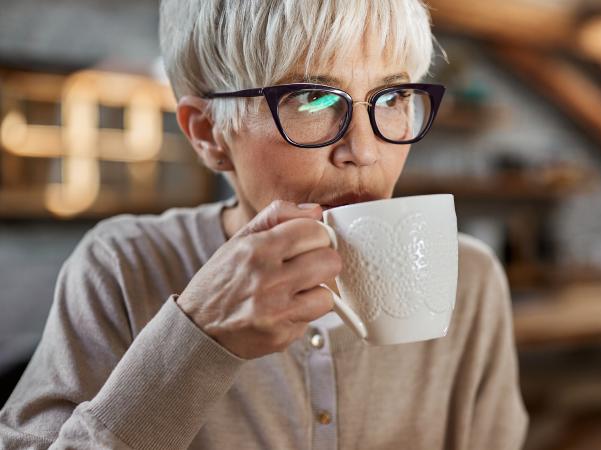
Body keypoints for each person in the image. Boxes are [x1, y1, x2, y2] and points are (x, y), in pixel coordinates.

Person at [0, 1, 528, 448]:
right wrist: (196, 339)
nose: (365, 151)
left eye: (392, 98)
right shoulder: (122, 267)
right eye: (313, 97)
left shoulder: (472, 280)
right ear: (208, 133)